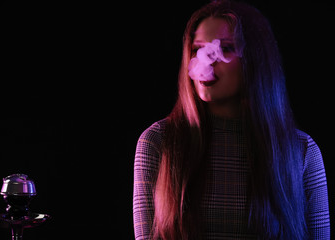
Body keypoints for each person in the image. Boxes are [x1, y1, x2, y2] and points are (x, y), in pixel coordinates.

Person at [133, 0, 330, 239]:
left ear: (254, 60)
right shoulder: (157, 143)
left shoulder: (302, 151)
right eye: (198, 48)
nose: (206, 59)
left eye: (225, 48)